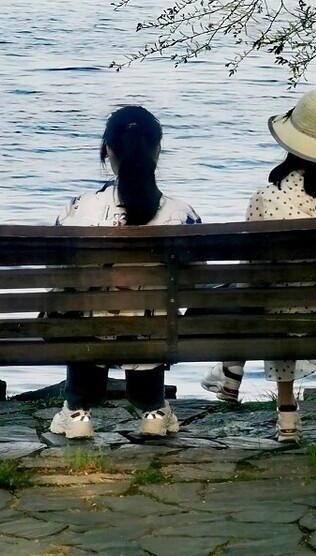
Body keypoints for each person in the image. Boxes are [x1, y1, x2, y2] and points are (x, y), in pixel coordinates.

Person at [200, 90, 316, 445]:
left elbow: (251, 271)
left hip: (282, 319)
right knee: (278, 296)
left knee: (265, 295)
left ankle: (281, 411)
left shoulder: (269, 196)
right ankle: (234, 371)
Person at [49, 105, 201, 440]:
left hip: (88, 333)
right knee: (152, 313)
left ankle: (78, 411)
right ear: (157, 151)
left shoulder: (79, 208)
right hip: (155, 334)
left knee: (79, 305)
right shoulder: (181, 215)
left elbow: (57, 272)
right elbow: (196, 280)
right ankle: (153, 410)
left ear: (108, 150)